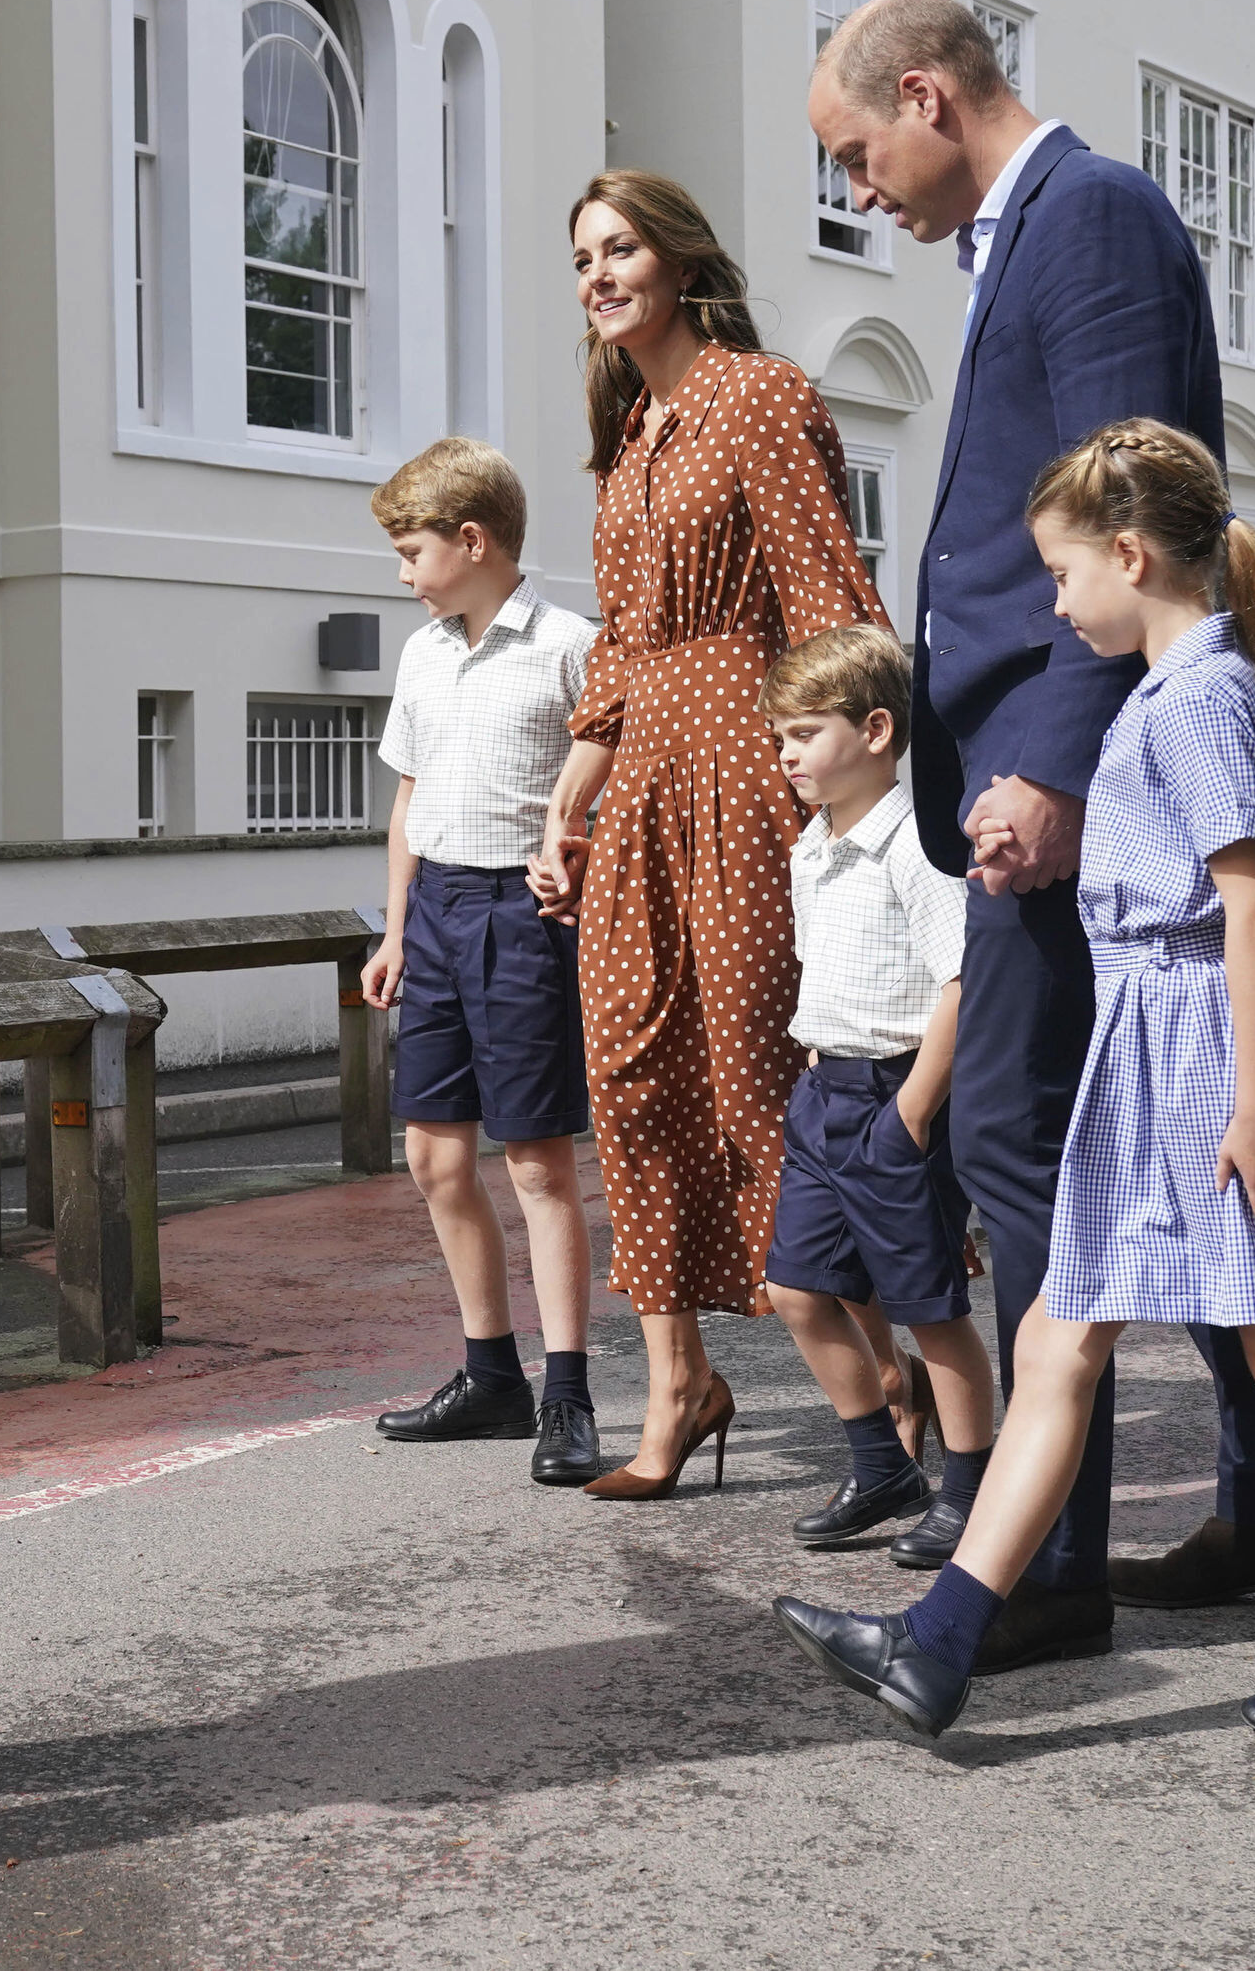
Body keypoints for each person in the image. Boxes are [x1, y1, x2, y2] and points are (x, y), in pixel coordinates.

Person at [775, 419, 1255, 1750]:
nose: (1053, 598)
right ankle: (943, 1639)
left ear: (1132, 556)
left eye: (1065, 571)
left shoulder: (1200, 695)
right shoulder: (1170, 688)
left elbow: (1254, 908)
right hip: (1149, 1055)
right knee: (1055, 1341)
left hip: (1204, 1062)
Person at [802, 0, 1255, 1669]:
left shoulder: (1089, 214)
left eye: (857, 150)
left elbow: (1137, 512)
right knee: (1158, 1149)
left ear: (933, 96)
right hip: (1034, 767)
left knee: (1027, 1146)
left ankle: (1047, 1572)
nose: (859, 185)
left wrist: (1052, 758)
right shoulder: (1027, 231)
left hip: (1062, 776)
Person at [529, 172, 893, 1498]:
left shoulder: (760, 393)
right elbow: (621, 642)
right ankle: (679, 1383)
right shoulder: (632, 433)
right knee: (627, 1075)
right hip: (641, 787)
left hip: (748, 763)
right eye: (583, 256)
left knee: (756, 1076)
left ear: (680, 259)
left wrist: (850, 789)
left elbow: (829, 597)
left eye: (620, 247)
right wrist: (571, 795)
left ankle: (893, 1380)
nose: (598, 273)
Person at [357, 439, 606, 1486]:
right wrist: (394, 927)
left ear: (472, 540)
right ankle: (488, 1375)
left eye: (410, 551)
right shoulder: (421, 653)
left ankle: (568, 1394)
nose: (401, 573)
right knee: (432, 1159)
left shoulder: (568, 646)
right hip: (441, 914)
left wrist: (574, 868)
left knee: (537, 1163)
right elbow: (407, 802)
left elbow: (609, 792)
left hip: (522, 918)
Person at [755, 627, 999, 1555]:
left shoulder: (917, 844)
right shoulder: (813, 847)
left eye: (804, 734)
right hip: (825, 1091)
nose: (786, 757)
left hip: (898, 1097)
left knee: (930, 1309)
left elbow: (961, 982)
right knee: (795, 1289)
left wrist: (912, 1113)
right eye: (781, 737)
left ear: (876, 730)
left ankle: (970, 1491)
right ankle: (882, 1467)